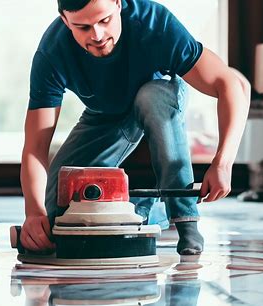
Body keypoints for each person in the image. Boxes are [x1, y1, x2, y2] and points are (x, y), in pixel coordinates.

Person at [20, 0, 250, 255]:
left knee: (150, 95)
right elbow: (35, 148)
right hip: (105, 115)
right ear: (65, 21)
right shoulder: (52, 52)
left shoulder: (153, 23)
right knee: (57, 219)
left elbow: (229, 84)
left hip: (159, 96)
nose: (97, 35)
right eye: (83, 27)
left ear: (118, 3)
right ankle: (145, 210)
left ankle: (187, 222)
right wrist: (33, 212)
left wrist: (222, 164)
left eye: (104, 21)